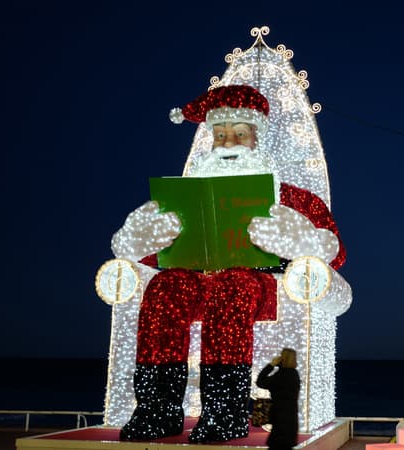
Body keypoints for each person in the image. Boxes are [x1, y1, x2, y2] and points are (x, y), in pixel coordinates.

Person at [115, 84, 345, 443]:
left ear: (257, 139)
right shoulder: (183, 196)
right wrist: (147, 236)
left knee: (232, 288)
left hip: (256, 281)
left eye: (239, 134)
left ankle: (225, 414)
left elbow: (335, 250)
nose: (228, 143)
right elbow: (131, 248)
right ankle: (158, 411)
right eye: (220, 135)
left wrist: (299, 241)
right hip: (193, 274)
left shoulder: (293, 198)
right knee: (164, 288)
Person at [256, 349, 301, 450]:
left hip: (280, 418)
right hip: (291, 417)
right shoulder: (294, 374)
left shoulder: (280, 375)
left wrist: (271, 365)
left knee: (277, 445)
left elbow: (260, 381)